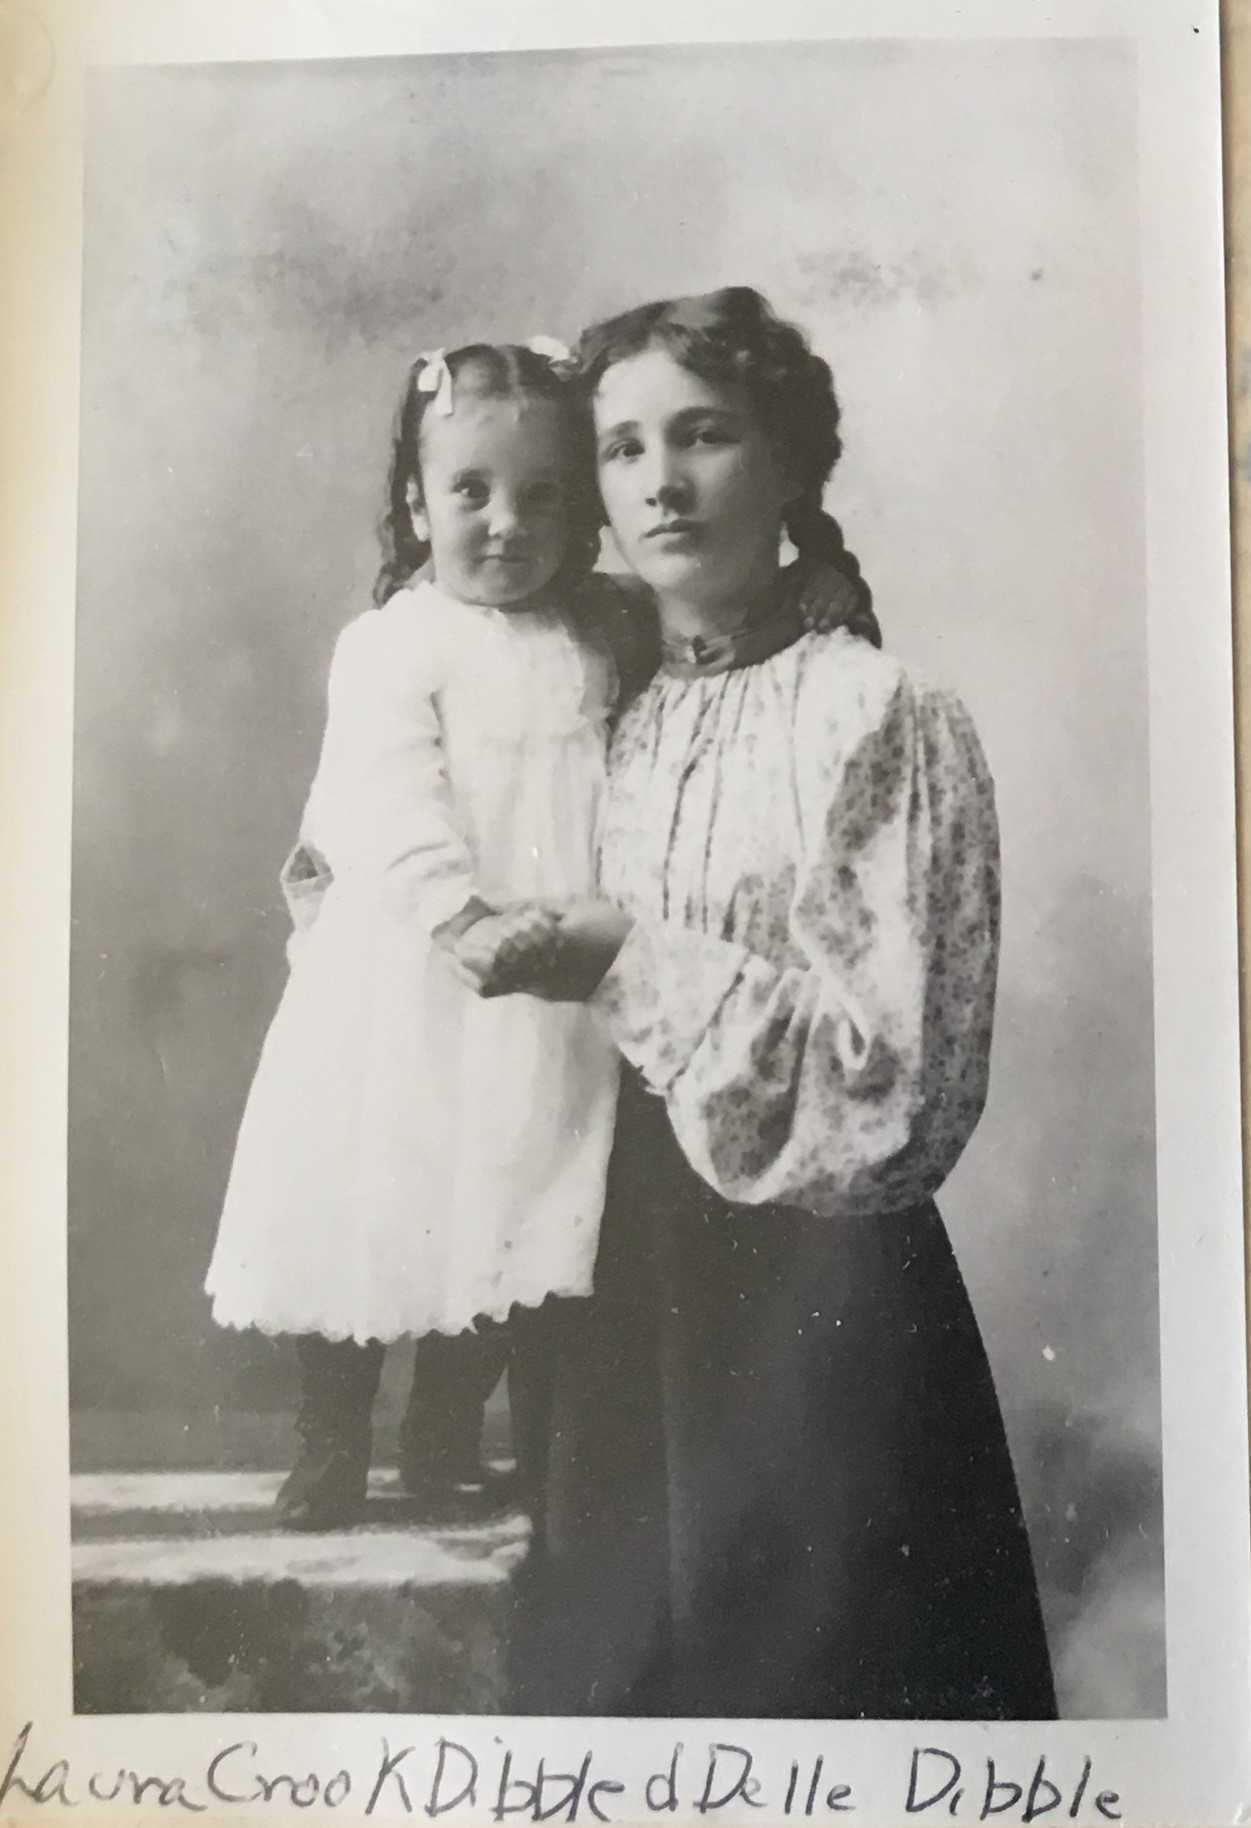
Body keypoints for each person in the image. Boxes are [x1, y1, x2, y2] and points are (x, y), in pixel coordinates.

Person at [456, 288, 1058, 1719]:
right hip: (615, 1306)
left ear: (785, 462)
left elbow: (894, 1087)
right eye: (620, 449)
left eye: (703, 436)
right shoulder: (601, 708)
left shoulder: (876, 715)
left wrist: (626, 955)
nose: (658, 482)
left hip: (814, 1315)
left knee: (813, 1703)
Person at [206, 334, 871, 1530]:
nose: (506, 523)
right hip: (409, 984)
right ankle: (331, 1436)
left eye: (543, 495)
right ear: (416, 503)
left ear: (583, 513)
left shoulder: (599, 630)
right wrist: (456, 913)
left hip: (545, 993)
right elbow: (385, 798)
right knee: (376, 1195)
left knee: (517, 1201)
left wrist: (815, 583)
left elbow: (721, 627)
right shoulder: (396, 645)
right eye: (471, 492)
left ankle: (448, 1428)